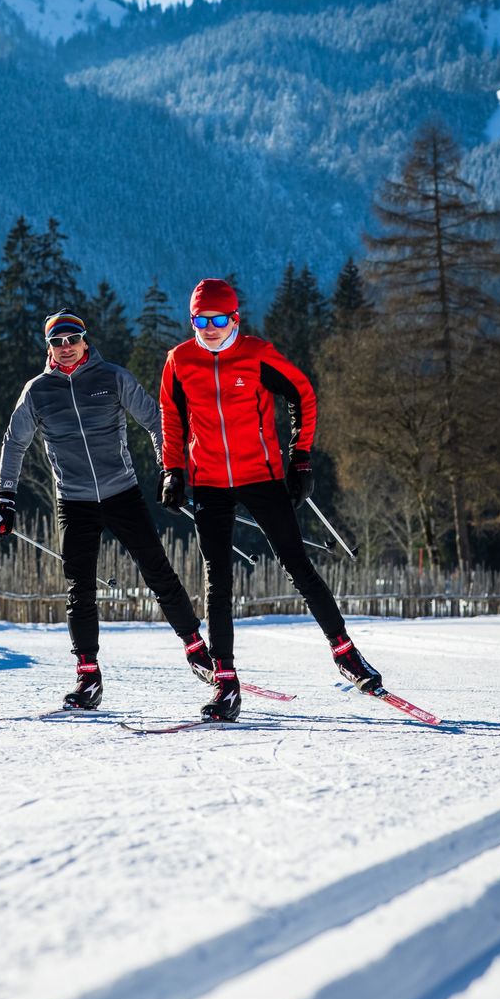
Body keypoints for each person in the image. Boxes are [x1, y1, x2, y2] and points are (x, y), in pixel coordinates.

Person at [158, 277, 381, 721]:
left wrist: (300, 459)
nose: (211, 327)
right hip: (209, 483)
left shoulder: (256, 354)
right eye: (201, 320)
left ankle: (345, 653)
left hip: (261, 476)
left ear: (234, 318)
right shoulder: (180, 360)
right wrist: (172, 470)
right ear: (192, 320)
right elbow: (171, 415)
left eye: (219, 319)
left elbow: (303, 394)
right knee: (217, 580)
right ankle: (226, 683)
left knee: (298, 565)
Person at [0, 309, 213, 710]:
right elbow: (14, 443)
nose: (65, 348)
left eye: (71, 339)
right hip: (74, 501)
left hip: (121, 493)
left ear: (85, 340)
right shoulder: (37, 391)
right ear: (49, 348)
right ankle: (88, 676)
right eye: (57, 342)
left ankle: (196, 648)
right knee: (80, 590)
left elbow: (156, 420)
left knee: (157, 571)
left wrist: (169, 471)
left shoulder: (112, 377)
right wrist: (6, 497)